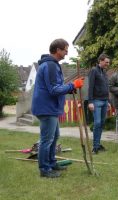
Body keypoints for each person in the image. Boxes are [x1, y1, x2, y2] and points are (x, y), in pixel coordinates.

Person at [32, 38, 84, 178]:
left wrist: (69, 89)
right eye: (65, 50)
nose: (67, 53)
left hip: (50, 107)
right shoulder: (50, 65)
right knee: (47, 140)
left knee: (54, 137)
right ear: (58, 50)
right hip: (46, 107)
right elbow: (54, 90)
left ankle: (51, 163)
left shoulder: (53, 65)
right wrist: (73, 85)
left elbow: (57, 88)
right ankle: (45, 169)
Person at [88, 53, 111, 154]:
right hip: (96, 101)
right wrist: (90, 102)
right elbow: (90, 87)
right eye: (106, 62)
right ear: (100, 61)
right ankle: (95, 147)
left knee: (101, 123)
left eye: (108, 63)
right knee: (97, 123)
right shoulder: (94, 71)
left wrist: (108, 101)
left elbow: (106, 87)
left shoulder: (104, 72)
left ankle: (98, 145)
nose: (107, 64)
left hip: (105, 101)